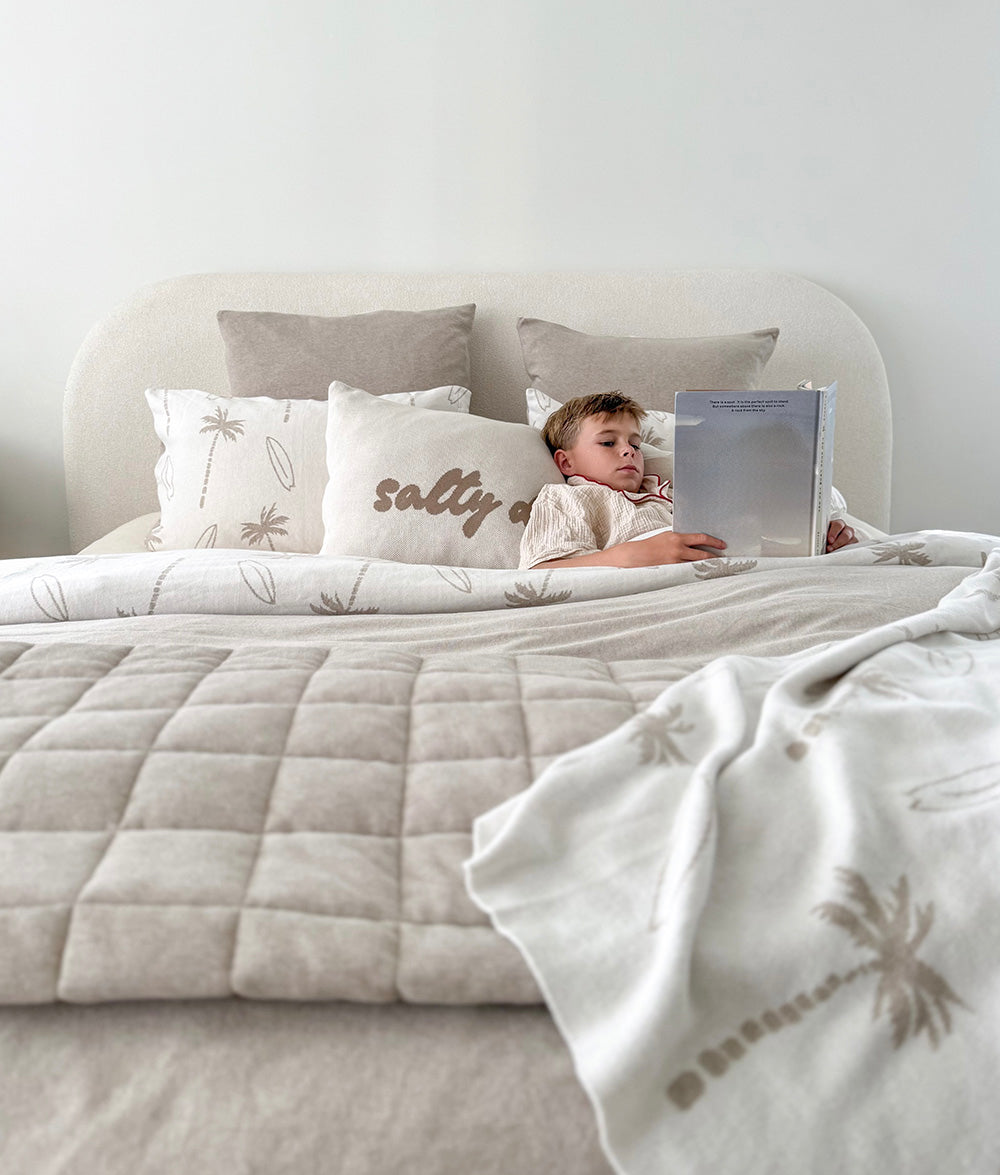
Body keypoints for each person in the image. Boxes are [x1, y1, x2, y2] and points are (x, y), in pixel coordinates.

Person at [519, 392, 857, 570]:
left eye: (635, 444)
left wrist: (816, 541)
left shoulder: (677, 494)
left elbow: (741, 541)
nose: (629, 452)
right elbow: (544, 571)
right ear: (566, 460)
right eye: (609, 443)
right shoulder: (567, 499)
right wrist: (631, 555)